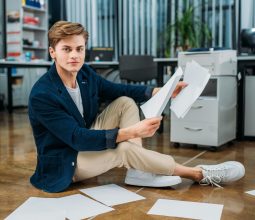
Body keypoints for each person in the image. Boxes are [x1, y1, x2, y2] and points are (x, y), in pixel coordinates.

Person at [28, 21, 245, 193]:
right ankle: (198, 174)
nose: (74, 55)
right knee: (122, 149)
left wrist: (158, 91)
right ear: (52, 52)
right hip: (66, 161)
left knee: (124, 102)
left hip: (82, 141)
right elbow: (77, 138)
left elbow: (115, 89)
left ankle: (138, 171)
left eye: (79, 48)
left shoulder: (84, 74)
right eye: (66, 49)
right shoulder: (42, 94)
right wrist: (130, 133)